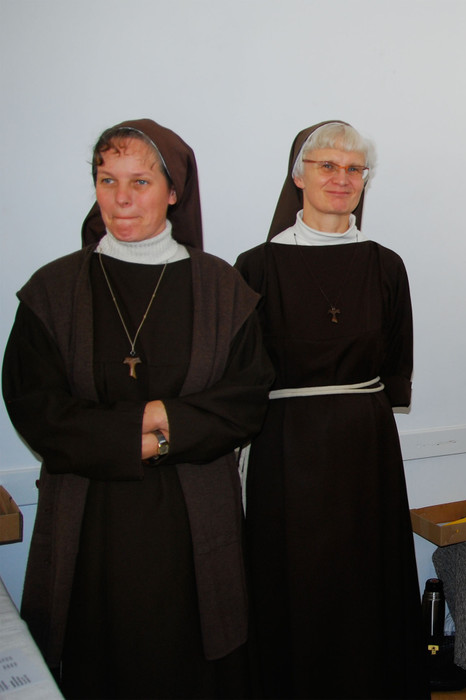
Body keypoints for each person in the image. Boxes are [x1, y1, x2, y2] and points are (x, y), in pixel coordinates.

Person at [2, 118, 274, 698]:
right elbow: (35, 406)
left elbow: (245, 399)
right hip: (89, 522)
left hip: (192, 521)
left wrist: (156, 431)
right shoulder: (53, 289)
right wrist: (150, 431)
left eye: (140, 182)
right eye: (108, 180)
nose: (121, 198)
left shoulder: (222, 289)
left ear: (174, 191)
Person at [235, 121, 425, 699]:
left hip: (365, 445)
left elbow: (396, 359)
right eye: (327, 166)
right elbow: (242, 370)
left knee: (365, 579)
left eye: (354, 169)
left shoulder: (386, 265)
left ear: (365, 180)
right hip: (284, 444)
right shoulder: (256, 266)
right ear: (298, 176)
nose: (341, 179)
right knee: (294, 580)